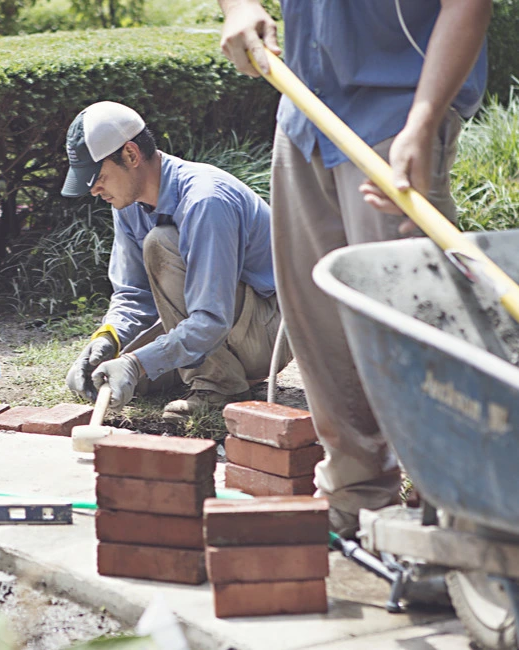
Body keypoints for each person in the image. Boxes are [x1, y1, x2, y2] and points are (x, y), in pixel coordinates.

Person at [217, 0, 491, 537]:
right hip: (303, 115)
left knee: (415, 332)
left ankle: (465, 521)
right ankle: (354, 498)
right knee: (318, 324)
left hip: (398, 116)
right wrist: (239, 7)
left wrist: (424, 120)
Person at [62, 101, 291, 421]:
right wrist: (108, 340)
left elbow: (212, 319)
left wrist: (136, 362)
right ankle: (212, 372)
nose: (94, 190)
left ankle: (219, 385)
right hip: (223, 324)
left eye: (98, 177)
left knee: (161, 243)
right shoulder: (127, 205)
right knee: (112, 379)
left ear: (130, 155)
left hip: (268, 330)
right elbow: (133, 294)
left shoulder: (205, 200)